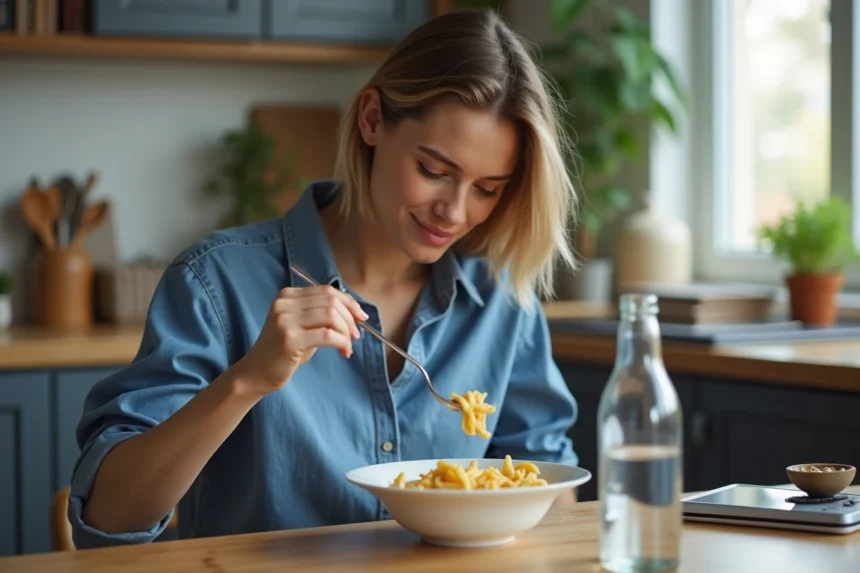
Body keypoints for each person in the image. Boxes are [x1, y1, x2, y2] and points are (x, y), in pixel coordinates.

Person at [68, 7, 580, 549]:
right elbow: (109, 518)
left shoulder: (503, 304)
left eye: (488, 188)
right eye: (434, 171)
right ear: (372, 120)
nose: (454, 212)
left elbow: (552, 491)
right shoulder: (215, 282)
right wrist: (248, 381)